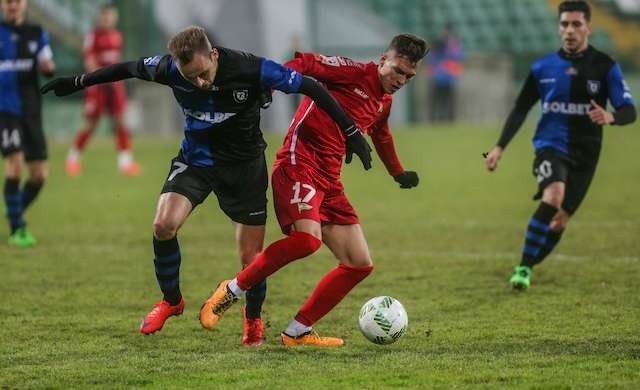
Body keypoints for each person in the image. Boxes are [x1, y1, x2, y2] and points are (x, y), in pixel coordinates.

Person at [41, 25, 372, 344]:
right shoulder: (168, 68)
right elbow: (127, 68)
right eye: (190, 78)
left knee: (250, 258)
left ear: (213, 55)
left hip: (244, 170)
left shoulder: (250, 67)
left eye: (203, 73)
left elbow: (311, 86)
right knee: (163, 224)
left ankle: (253, 322)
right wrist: (77, 81)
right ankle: (171, 302)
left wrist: (351, 131)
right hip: (196, 162)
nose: (199, 83)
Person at [198, 34, 427, 347]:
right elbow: (305, 64)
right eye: (398, 70)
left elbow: (382, 136)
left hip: (330, 180)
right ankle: (231, 291)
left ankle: (296, 331)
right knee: (307, 241)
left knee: (359, 263)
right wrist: (271, 82)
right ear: (382, 60)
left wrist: (398, 172)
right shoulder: (352, 72)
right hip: (299, 162)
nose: (401, 79)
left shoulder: (384, 101)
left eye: (409, 76)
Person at [484, 0, 636, 290]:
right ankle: (524, 268)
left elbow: (629, 111)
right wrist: (499, 147)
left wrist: (611, 117)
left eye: (576, 24)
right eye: (564, 24)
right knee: (553, 197)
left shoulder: (605, 67)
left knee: (560, 220)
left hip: (587, 154)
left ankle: (530, 261)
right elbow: (520, 109)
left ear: (589, 27)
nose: (569, 30)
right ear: (558, 27)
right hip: (549, 145)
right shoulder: (543, 67)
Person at [1, 0, 55, 247]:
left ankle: (14, 210)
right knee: (14, 165)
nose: (12, 6)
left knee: (40, 175)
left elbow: (48, 65)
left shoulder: (37, 33)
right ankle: (17, 229)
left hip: (31, 111)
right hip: (5, 111)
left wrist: (48, 67)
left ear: (24, 5)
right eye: (8, 2)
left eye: (17, 1)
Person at [65, 3, 141, 176]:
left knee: (121, 121)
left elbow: (117, 61)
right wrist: (100, 79)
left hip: (115, 85)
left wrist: (118, 79)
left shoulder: (117, 36)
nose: (107, 19)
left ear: (115, 18)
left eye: (110, 16)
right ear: (100, 17)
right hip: (98, 86)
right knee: (91, 124)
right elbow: (90, 61)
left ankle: (125, 163)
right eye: (104, 16)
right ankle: (72, 159)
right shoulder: (93, 36)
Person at [426, 25, 463, 122]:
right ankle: (434, 120)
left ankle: (450, 120)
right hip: (437, 79)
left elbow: (458, 57)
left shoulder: (453, 45)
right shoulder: (437, 45)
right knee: (436, 102)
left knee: (449, 102)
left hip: (448, 78)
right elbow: (431, 59)